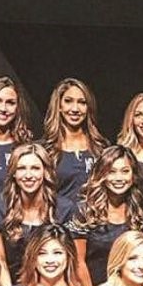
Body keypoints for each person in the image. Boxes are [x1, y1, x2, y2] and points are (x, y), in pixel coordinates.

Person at [70, 145, 143, 286]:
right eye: (111, 172)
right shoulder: (85, 211)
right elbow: (78, 262)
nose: (119, 178)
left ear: (133, 175)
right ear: (102, 175)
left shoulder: (141, 210)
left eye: (125, 171)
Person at [0, 142, 64, 286]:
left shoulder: (63, 209)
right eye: (22, 168)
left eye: (35, 168)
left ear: (45, 172)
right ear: (13, 173)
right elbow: (0, 260)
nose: (28, 175)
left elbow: (70, 262)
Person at [41, 77, 106, 205]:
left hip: (95, 216)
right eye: (68, 101)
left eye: (82, 102)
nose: (75, 109)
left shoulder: (101, 147)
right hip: (57, 216)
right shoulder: (45, 149)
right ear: (59, 106)